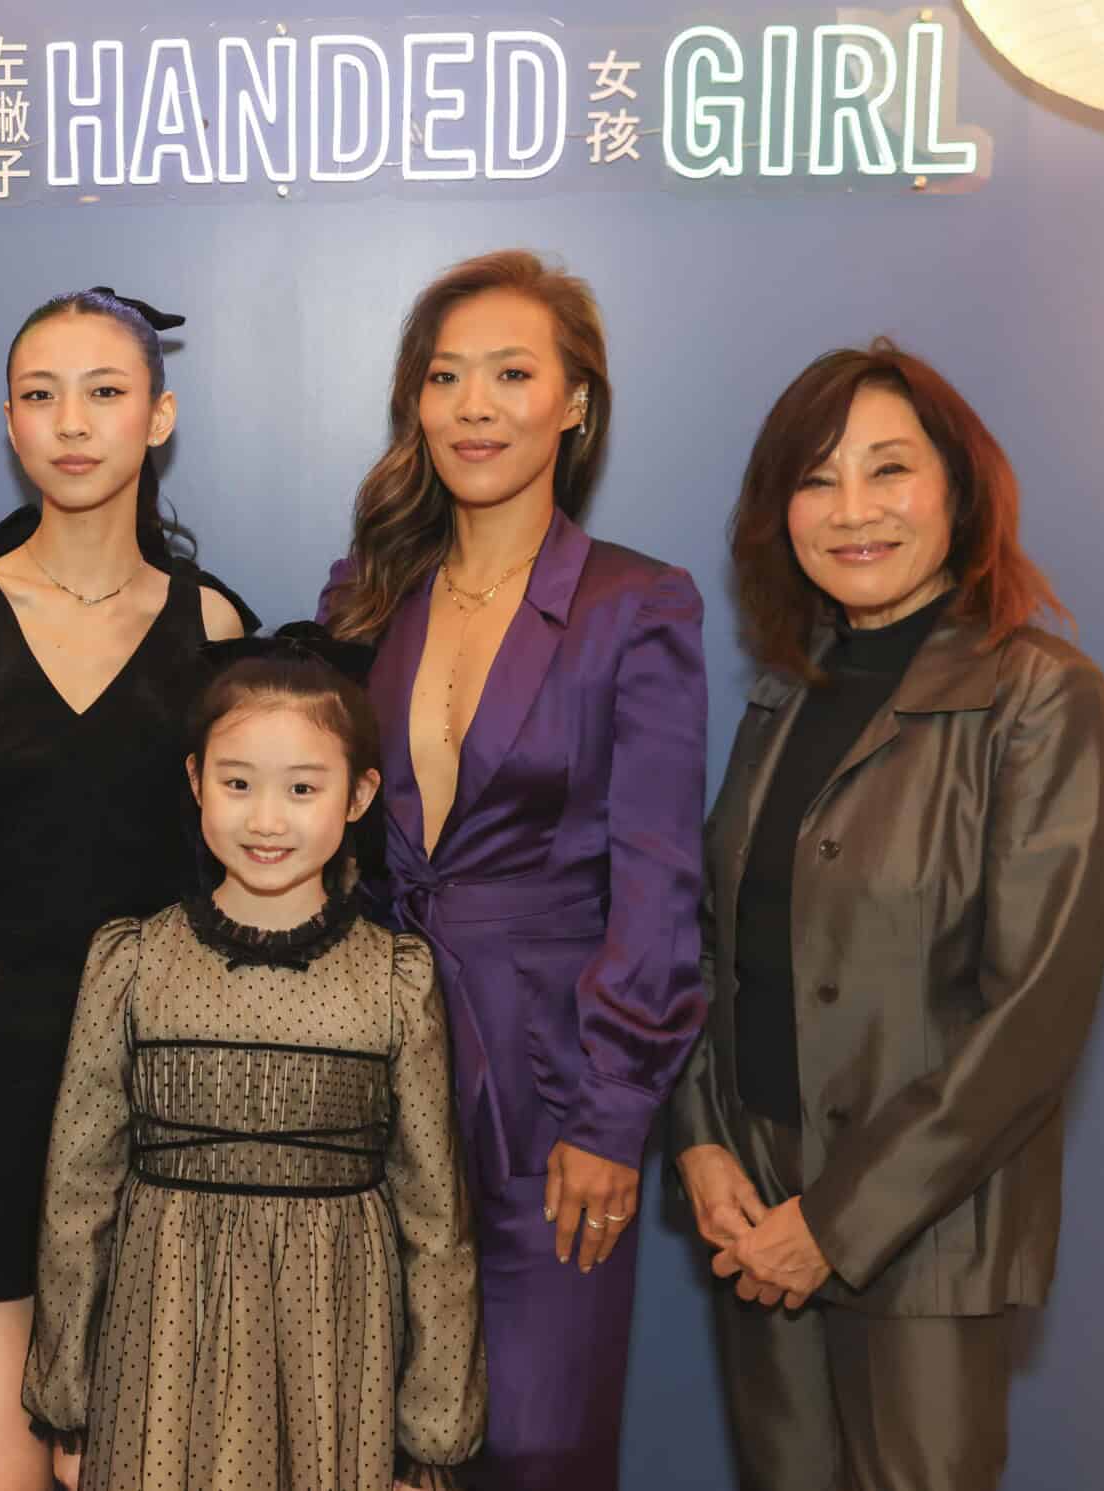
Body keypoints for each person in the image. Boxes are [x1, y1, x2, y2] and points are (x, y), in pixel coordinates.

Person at [667, 340, 1104, 1491]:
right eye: (815, 480)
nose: (850, 511)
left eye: (888, 471)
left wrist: (832, 1221)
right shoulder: (787, 694)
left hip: (919, 1231)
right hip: (755, 1211)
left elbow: (1032, 1014)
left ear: (957, 492)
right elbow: (715, 944)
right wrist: (702, 1140)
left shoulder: (1038, 696)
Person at [317, 249, 708, 1489]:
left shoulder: (635, 605)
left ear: (574, 402)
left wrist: (612, 1114)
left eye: (509, 374)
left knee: (537, 1442)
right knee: (377, 1437)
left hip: (550, 1084)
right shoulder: (367, 600)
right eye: (443, 377)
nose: (472, 406)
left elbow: (657, 876)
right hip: (376, 1080)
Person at [0, 289, 254, 1491]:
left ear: (158, 416)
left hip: (153, 1111)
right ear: (10, 424)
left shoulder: (212, 625)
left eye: (103, 392)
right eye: (40, 395)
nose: (70, 423)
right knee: (0, 1480)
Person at [23, 626, 486, 1491]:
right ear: (196, 781)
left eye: (303, 787)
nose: (266, 819)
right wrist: (69, 1398)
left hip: (332, 1355)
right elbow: (76, 1195)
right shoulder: (131, 964)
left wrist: (430, 1436)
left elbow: (435, 1220)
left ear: (358, 794)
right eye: (237, 783)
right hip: (157, 1350)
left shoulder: (395, 980)